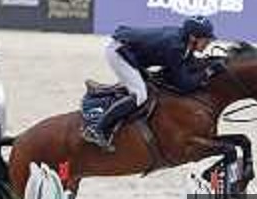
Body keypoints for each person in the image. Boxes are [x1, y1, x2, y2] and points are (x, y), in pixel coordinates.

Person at [87, 16, 217, 148]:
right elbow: (183, 84)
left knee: (149, 84)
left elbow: (188, 62)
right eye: (206, 40)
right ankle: (97, 129)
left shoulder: (182, 42)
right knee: (140, 95)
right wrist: (208, 73)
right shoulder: (175, 46)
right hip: (120, 52)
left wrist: (211, 62)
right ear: (193, 38)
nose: (208, 43)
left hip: (130, 50)